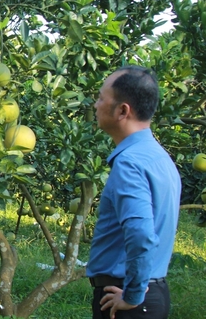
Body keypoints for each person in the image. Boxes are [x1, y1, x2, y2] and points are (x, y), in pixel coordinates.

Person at [86, 66, 181, 319]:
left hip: (127, 299)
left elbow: (140, 235)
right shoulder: (159, 157)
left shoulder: (130, 163)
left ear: (122, 110)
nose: (95, 105)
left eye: (101, 98)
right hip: (154, 292)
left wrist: (132, 295)